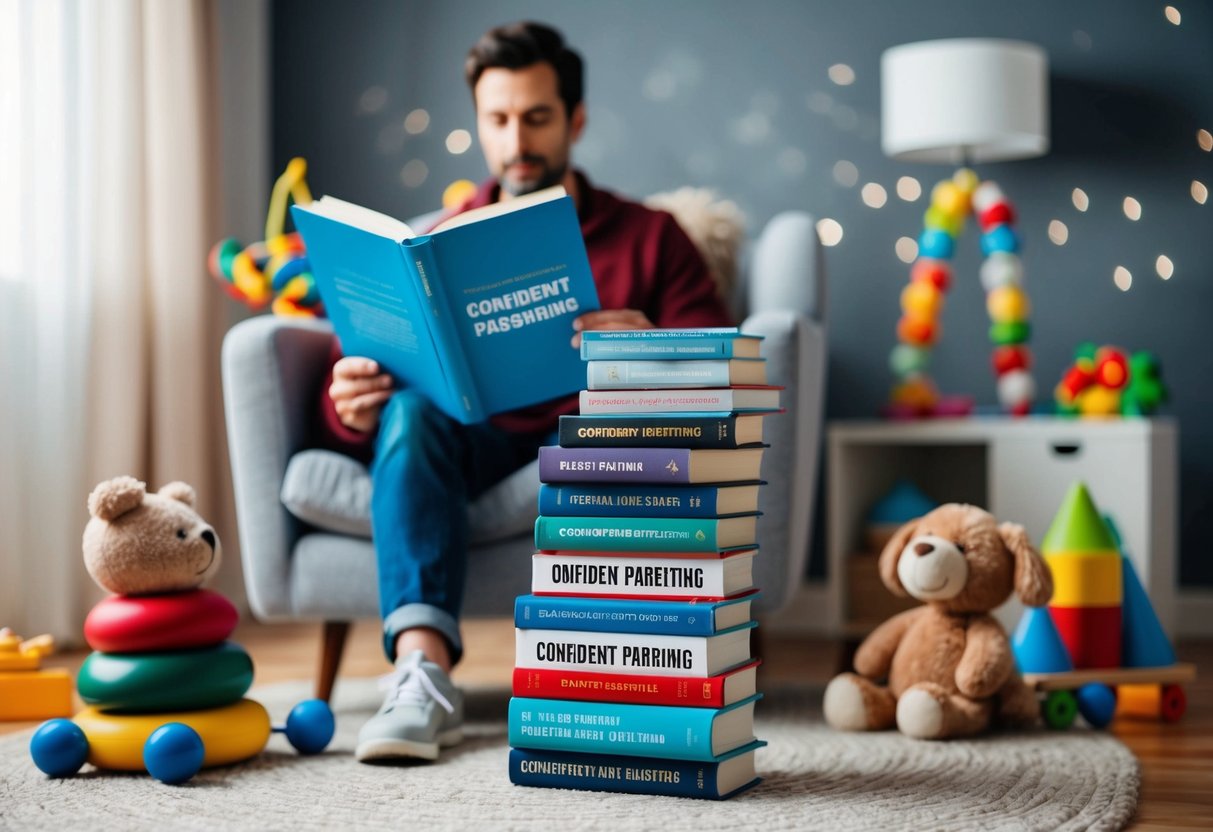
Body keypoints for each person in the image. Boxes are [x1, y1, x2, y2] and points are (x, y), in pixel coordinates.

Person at [317, 21, 733, 763]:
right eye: (498, 120)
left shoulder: (652, 236)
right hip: (468, 436)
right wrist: (350, 405)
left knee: (601, 433)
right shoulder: (444, 238)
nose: (517, 143)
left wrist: (644, 346)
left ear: (574, 120)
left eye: (537, 118)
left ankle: (611, 680)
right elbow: (372, 390)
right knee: (410, 410)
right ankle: (422, 674)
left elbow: (720, 370)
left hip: (582, 438)